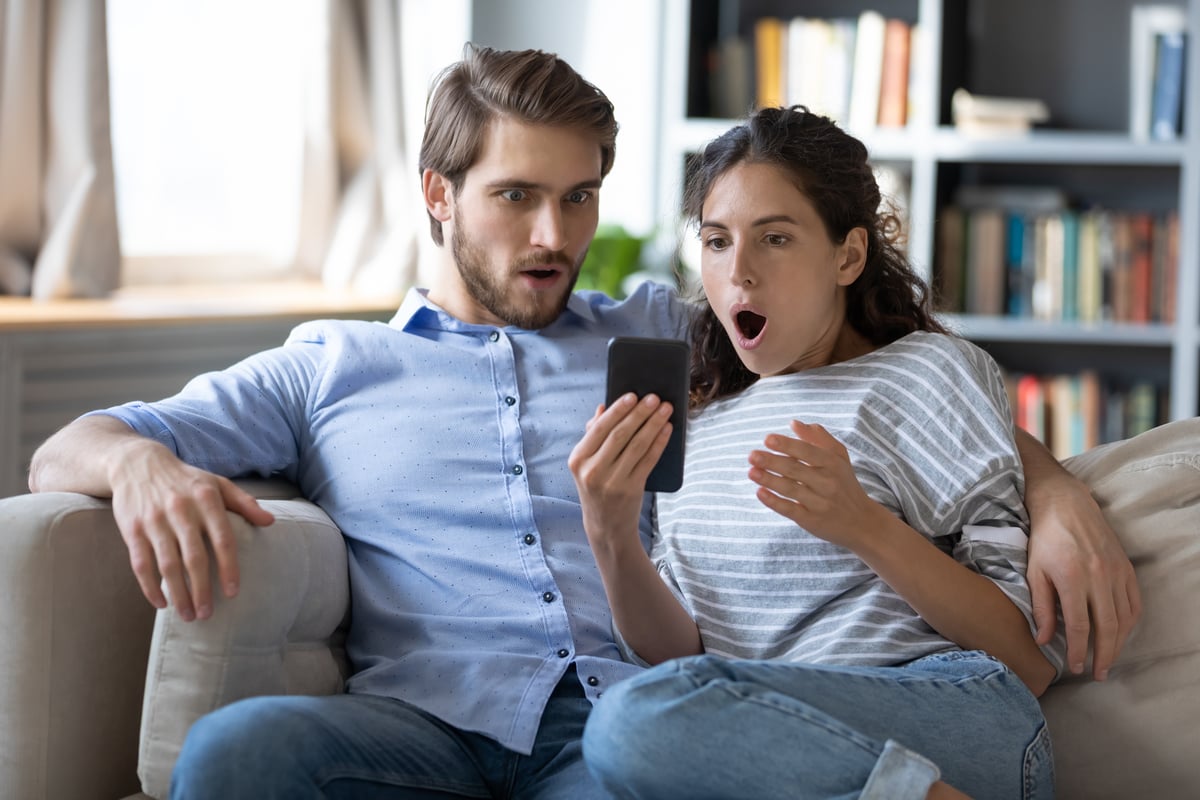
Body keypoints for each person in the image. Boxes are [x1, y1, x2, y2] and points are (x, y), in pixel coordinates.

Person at [26, 44, 1133, 798]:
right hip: (420, 724)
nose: (555, 234)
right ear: (439, 196)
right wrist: (140, 466)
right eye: (517, 196)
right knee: (234, 750)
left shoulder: (665, 334)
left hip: (630, 718)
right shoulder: (329, 367)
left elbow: (856, 366)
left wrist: (1052, 486)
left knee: (656, 744)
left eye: (580, 195)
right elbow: (65, 445)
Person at [568, 106, 1075, 799]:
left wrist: (864, 525)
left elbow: (1027, 658)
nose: (739, 272)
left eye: (774, 238)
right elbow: (680, 657)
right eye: (716, 242)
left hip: (958, 710)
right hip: (776, 747)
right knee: (638, 720)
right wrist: (610, 533)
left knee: (628, 723)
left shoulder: (930, 373)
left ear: (848, 256)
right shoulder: (701, 422)